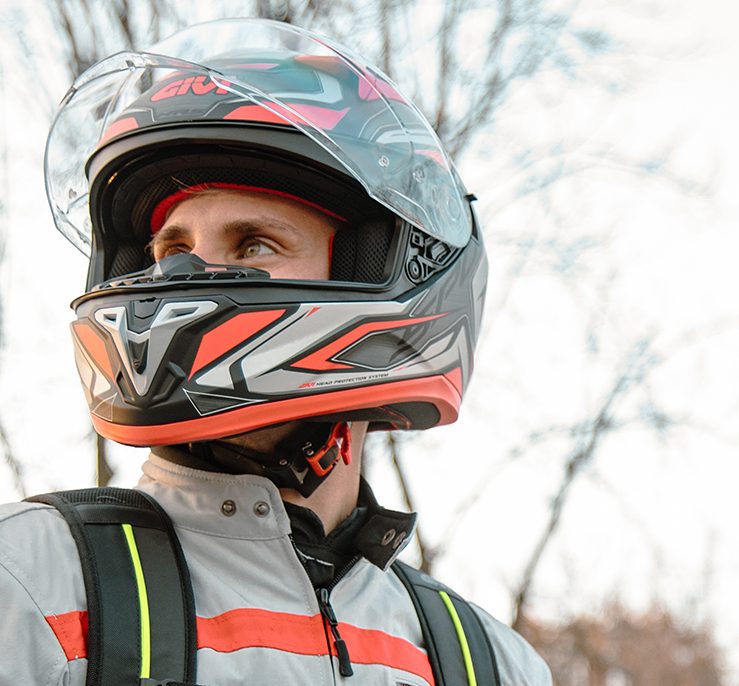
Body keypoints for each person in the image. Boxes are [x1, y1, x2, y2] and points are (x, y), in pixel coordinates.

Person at [0, 18, 551, 685]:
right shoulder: (31, 586)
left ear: (374, 268)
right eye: (172, 251)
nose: (183, 280)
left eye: (252, 245)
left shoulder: (485, 662)